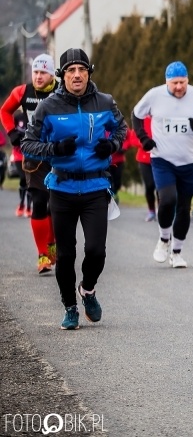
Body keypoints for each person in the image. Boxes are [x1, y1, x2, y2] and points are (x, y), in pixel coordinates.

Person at [21, 48, 128, 330]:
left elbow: (122, 129)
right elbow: (27, 144)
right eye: (71, 70)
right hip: (62, 188)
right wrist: (53, 148)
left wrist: (113, 145)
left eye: (82, 69)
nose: (77, 75)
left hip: (95, 186)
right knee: (66, 255)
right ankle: (70, 307)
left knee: (96, 251)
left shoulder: (105, 101)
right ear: (62, 76)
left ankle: (88, 290)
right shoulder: (48, 107)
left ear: (89, 73)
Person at [131, 61, 193, 268]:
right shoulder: (154, 95)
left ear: (188, 81)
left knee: (184, 208)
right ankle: (163, 239)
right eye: (174, 83)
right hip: (162, 159)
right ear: (167, 82)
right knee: (167, 199)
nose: (179, 87)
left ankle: (177, 252)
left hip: (188, 161)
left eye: (182, 82)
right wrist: (144, 139)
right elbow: (136, 115)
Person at [1, 54, 59, 273]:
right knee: (39, 201)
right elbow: (5, 111)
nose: (38, 76)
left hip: (58, 154)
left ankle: (53, 244)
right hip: (34, 156)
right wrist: (11, 132)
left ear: (52, 74)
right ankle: (42, 254)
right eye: (35, 72)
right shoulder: (22, 92)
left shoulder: (61, 91)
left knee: (56, 203)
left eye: (43, 72)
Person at [130, 115, 157, 221]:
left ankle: (162, 210)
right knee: (150, 185)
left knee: (161, 186)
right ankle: (151, 211)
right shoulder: (141, 120)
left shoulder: (161, 118)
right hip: (144, 159)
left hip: (161, 158)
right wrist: (145, 143)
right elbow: (133, 139)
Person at [108, 127, 136, 201]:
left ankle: (114, 193)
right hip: (106, 161)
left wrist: (124, 147)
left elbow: (130, 137)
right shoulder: (101, 121)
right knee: (109, 181)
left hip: (119, 160)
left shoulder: (120, 123)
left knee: (117, 182)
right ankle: (111, 198)